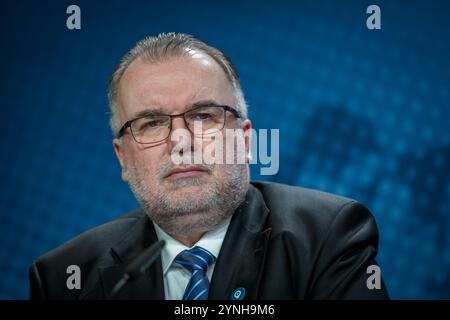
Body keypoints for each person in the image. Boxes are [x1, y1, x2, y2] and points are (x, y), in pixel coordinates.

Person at [29, 32, 389, 300]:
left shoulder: (328, 236)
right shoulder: (64, 276)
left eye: (202, 116)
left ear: (245, 141)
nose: (181, 141)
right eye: (151, 123)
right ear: (123, 157)